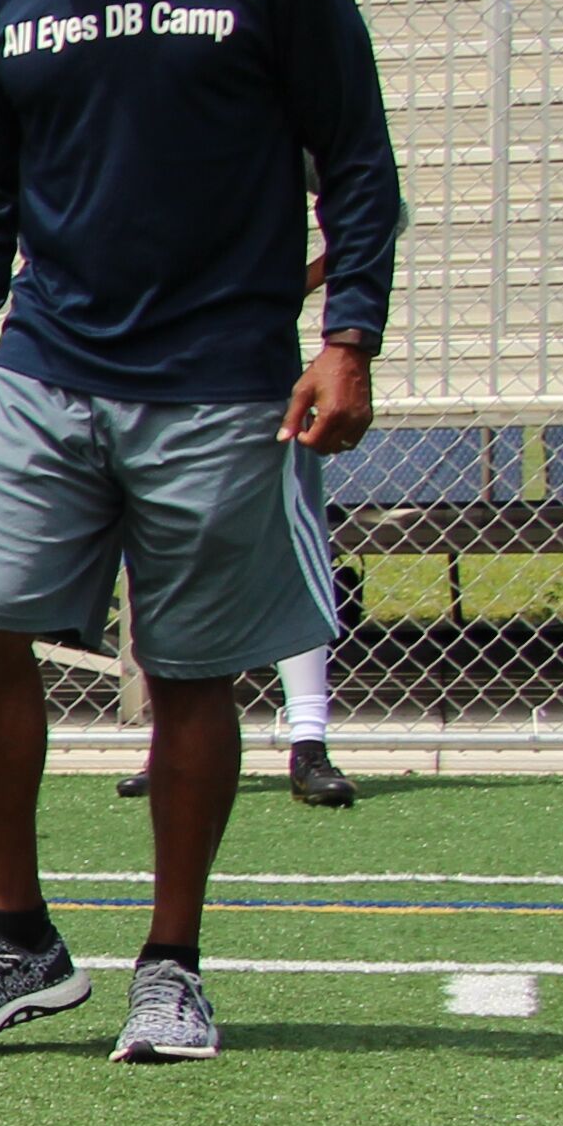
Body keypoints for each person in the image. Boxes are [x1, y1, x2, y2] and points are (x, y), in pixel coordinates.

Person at [0, 0, 403, 1061]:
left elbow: (354, 159)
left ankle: (170, 961)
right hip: (45, 371)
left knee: (190, 673)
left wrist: (349, 334)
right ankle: (17, 940)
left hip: (220, 380)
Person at [129, 250, 357, 808]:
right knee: (168, 556)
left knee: (285, 550)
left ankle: (309, 742)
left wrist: (279, 288)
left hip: (249, 379)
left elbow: (374, 207)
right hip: (147, 375)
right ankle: (173, 743)